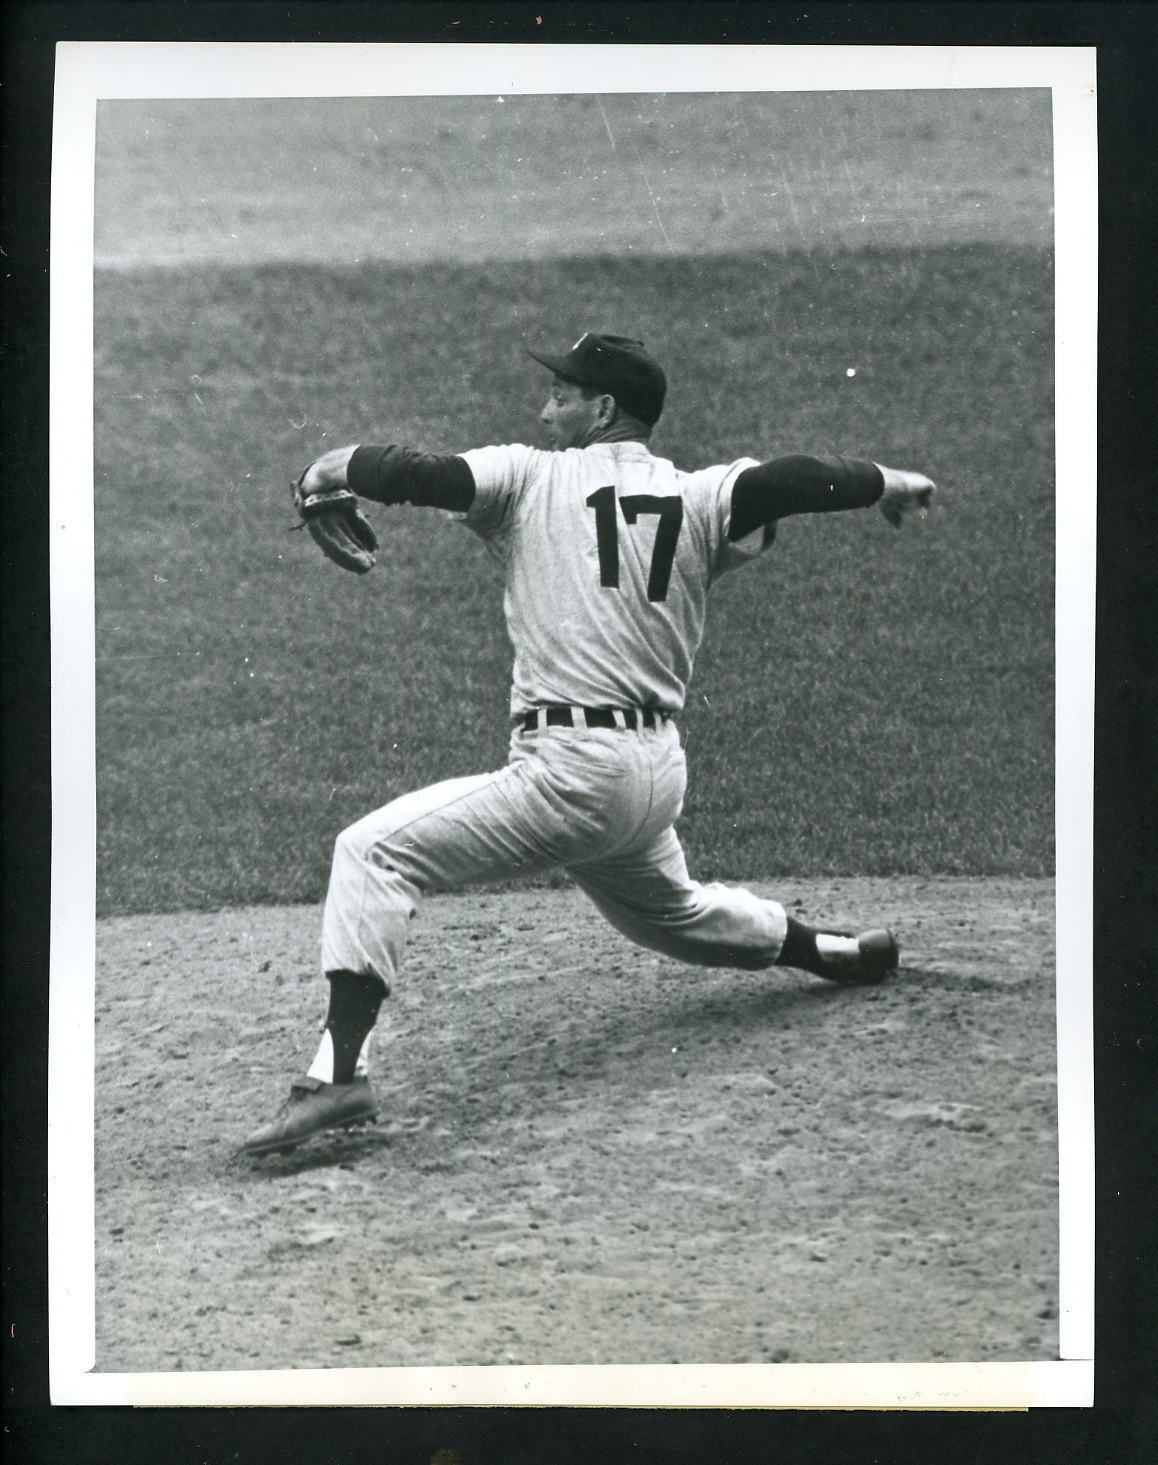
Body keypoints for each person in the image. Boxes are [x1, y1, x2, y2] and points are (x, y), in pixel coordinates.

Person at [241, 332, 935, 1157]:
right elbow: (788, 481)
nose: (545, 409)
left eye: (561, 395)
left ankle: (337, 1076)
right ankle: (837, 951)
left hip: (571, 776)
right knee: (673, 916)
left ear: (602, 409)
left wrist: (328, 466)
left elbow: (416, 473)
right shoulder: (699, 496)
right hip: (653, 776)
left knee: (372, 853)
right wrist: (890, 481)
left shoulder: (528, 477)